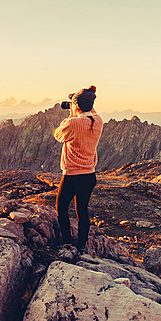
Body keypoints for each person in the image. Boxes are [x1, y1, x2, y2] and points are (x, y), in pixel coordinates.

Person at [53, 85, 103, 256]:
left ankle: (67, 242)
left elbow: (58, 135)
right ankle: (81, 245)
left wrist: (71, 113)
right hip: (89, 176)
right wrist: (78, 102)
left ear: (76, 106)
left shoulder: (72, 123)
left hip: (71, 176)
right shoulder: (98, 121)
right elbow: (90, 111)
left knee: (61, 209)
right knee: (82, 210)